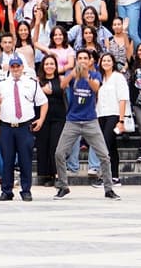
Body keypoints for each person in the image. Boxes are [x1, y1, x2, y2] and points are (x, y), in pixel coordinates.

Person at [53, 48, 119, 199]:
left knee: (104, 155)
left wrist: (86, 76)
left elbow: (96, 88)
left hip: (90, 120)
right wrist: (72, 75)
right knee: (59, 153)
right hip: (72, 121)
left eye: (85, 58)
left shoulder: (95, 75)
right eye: (80, 58)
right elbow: (62, 86)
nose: (82, 61)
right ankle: (63, 186)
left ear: (91, 61)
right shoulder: (72, 74)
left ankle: (109, 189)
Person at [0, 55, 48, 201]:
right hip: (7, 126)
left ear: (22, 67)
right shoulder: (2, 84)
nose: (16, 69)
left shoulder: (31, 83)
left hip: (24, 126)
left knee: (25, 159)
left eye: (18, 66)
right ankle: (7, 190)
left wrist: (41, 119)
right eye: (13, 66)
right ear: (9, 68)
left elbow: (43, 102)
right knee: (7, 160)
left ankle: (26, 190)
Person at [93, 53, 129, 184]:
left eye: (109, 60)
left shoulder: (118, 77)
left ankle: (105, 176)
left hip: (114, 115)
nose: (106, 63)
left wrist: (121, 120)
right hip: (101, 114)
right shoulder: (100, 78)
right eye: (104, 60)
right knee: (112, 147)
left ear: (113, 63)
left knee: (105, 145)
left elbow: (123, 99)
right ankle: (114, 177)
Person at [34, 55, 67, 186]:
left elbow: (63, 92)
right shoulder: (37, 80)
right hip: (42, 117)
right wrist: (42, 90)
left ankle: (57, 175)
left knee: (55, 146)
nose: (49, 66)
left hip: (58, 117)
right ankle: (46, 175)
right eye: (46, 64)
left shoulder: (61, 78)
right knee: (43, 145)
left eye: (52, 64)